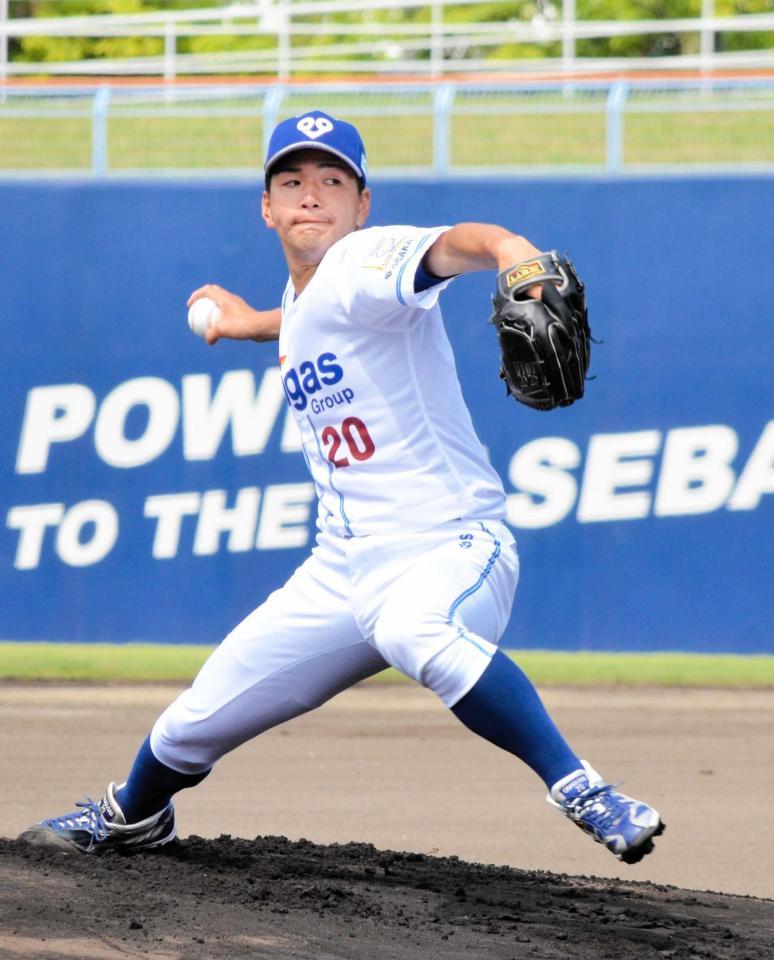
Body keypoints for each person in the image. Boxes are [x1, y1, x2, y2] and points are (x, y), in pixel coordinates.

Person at [20, 111, 664, 865]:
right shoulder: (309, 297)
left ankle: (583, 789)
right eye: (290, 181)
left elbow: (453, 244)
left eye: (333, 181)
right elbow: (307, 316)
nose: (311, 195)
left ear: (362, 206)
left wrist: (512, 251)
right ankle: (129, 814)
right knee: (195, 718)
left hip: (446, 546)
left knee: (415, 629)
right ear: (266, 208)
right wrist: (245, 322)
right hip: (340, 571)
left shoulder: (363, 259)